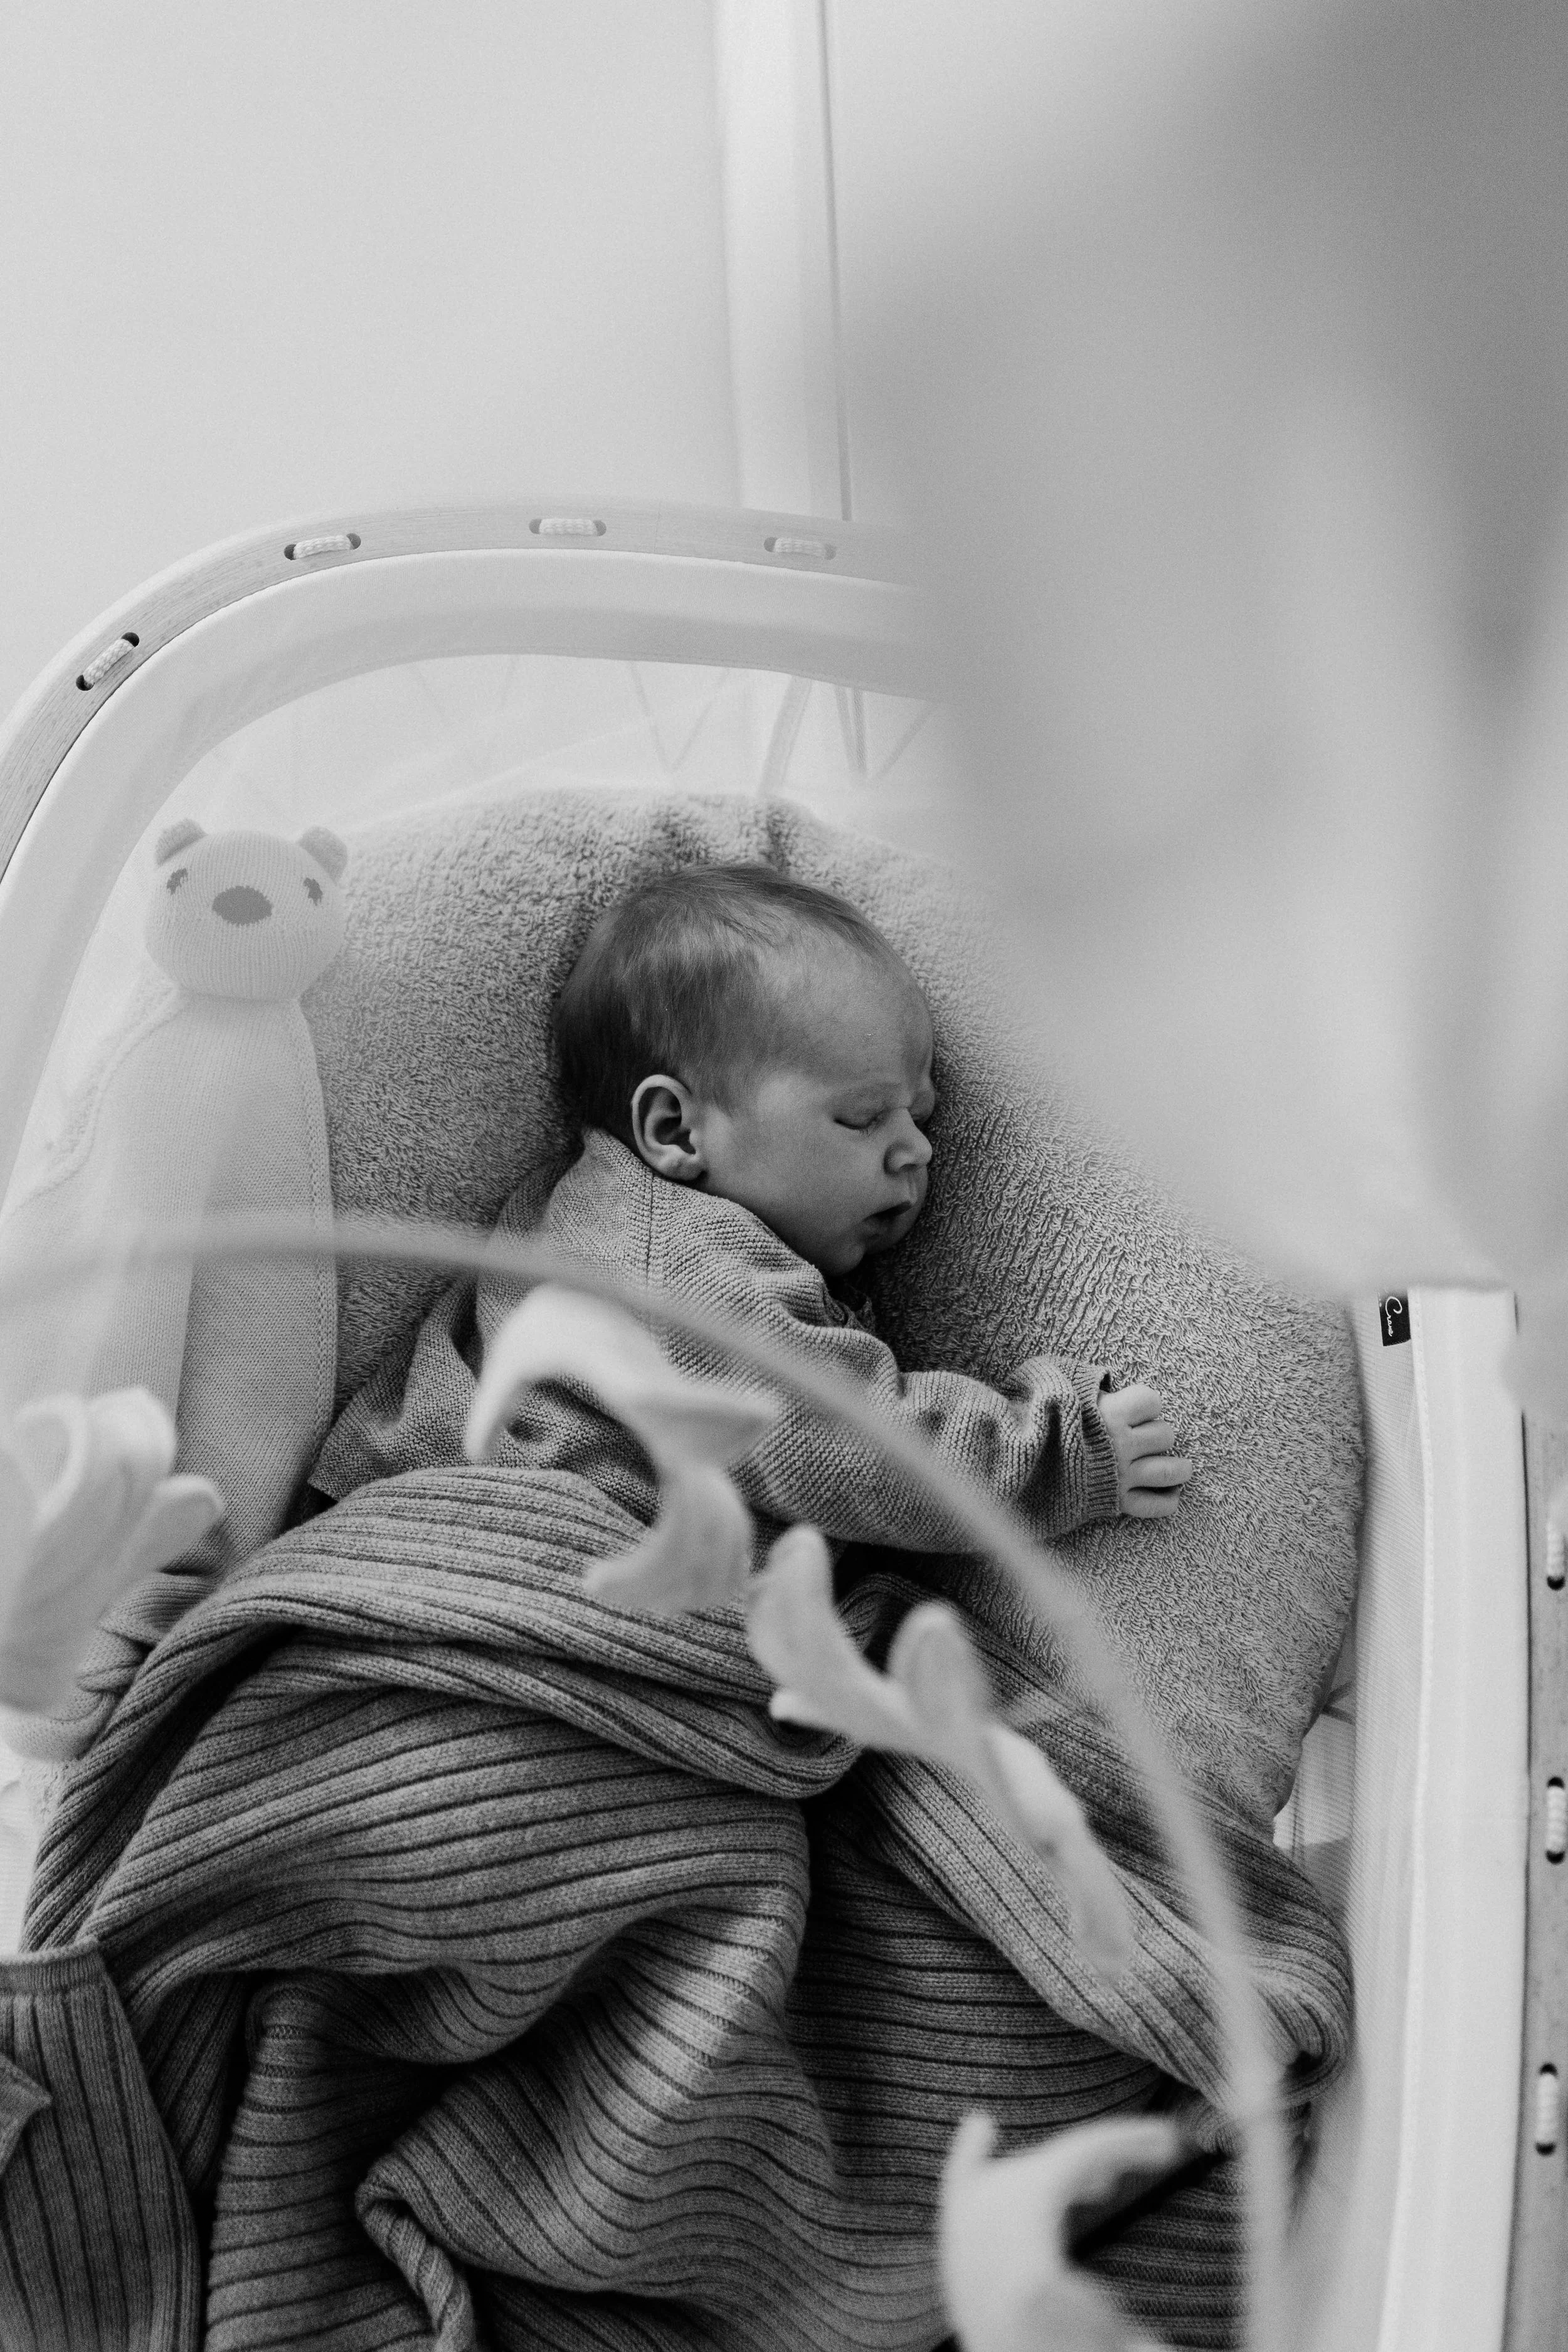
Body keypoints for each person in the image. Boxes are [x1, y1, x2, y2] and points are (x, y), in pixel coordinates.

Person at [527, 861, 1192, 1553]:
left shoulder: (582, 1223)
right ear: (676, 1130)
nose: (918, 1150)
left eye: (919, 1118)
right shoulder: (674, 1268)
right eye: (863, 1117)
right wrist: (1056, 1454)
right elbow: (845, 1444)